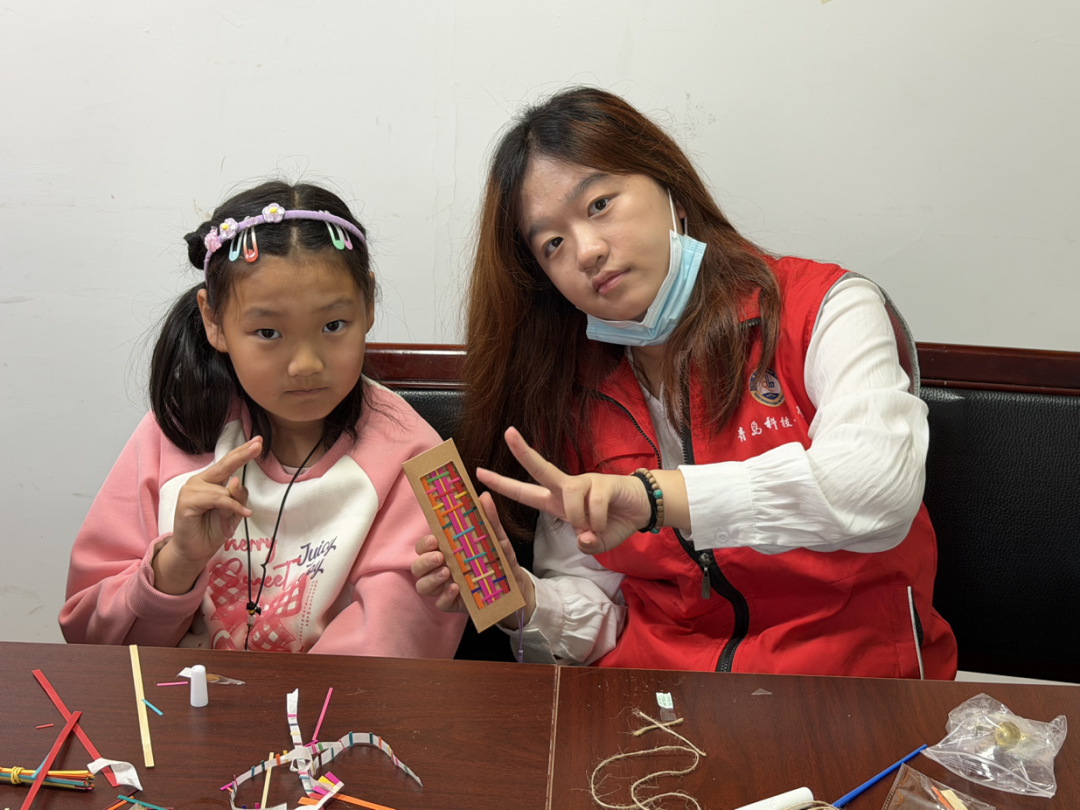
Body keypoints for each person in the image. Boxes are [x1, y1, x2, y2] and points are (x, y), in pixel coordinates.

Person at [413, 88, 957, 678]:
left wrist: (658, 499)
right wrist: (524, 598)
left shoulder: (827, 307)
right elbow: (601, 616)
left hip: (845, 687)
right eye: (553, 243)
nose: (588, 252)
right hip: (661, 704)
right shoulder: (571, 390)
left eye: (599, 204)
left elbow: (878, 488)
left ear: (671, 190)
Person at [61, 180, 465, 657]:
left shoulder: (417, 456)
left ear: (369, 303)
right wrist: (179, 562)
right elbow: (89, 637)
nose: (305, 365)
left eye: (333, 325)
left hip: (329, 706)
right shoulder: (179, 427)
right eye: (268, 332)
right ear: (214, 321)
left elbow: (395, 650)